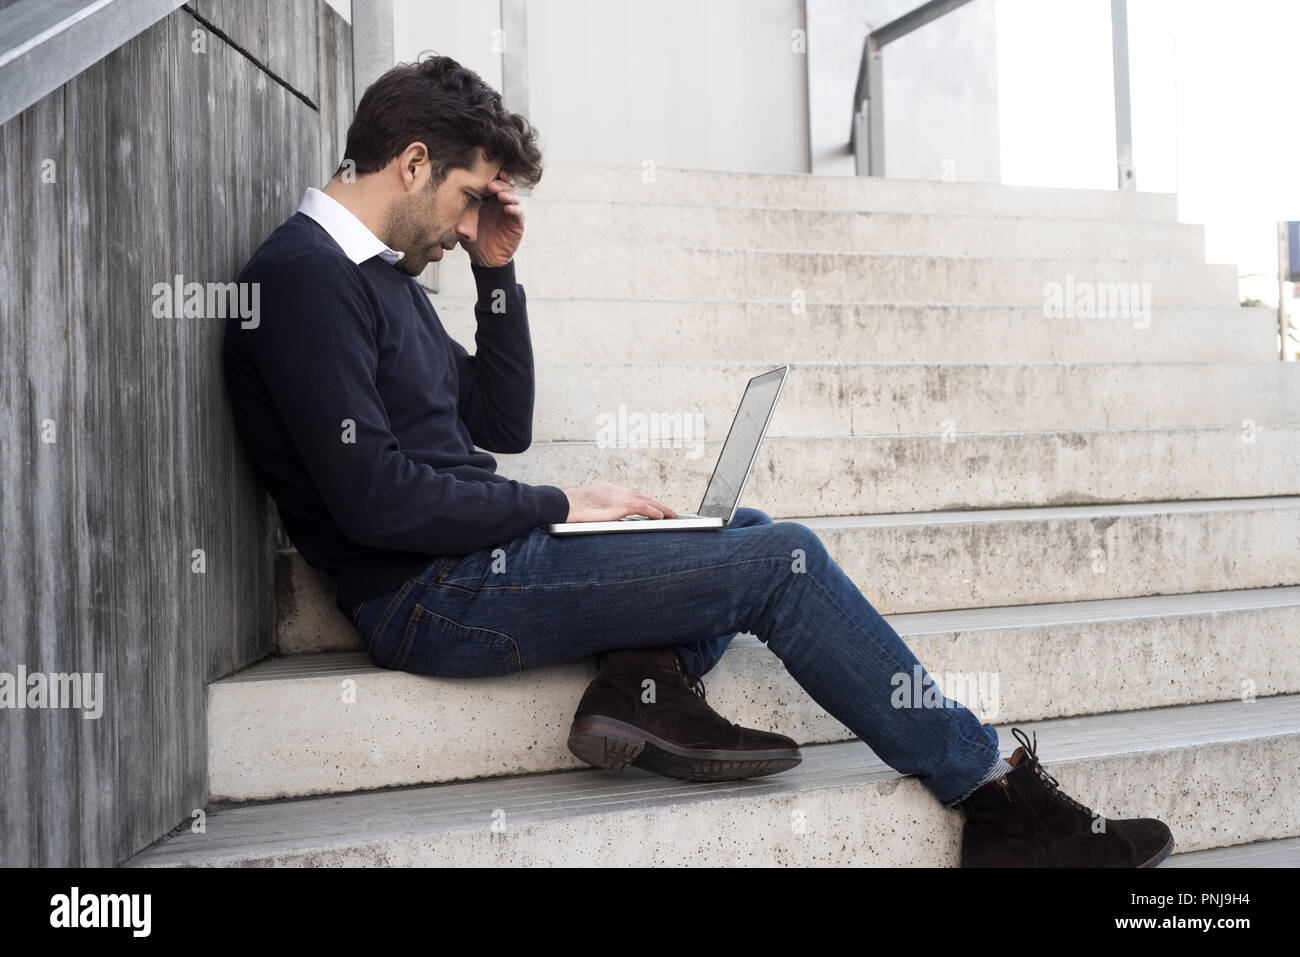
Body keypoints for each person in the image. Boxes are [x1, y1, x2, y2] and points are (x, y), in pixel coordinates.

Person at [222, 53, 1174, 868]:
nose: (469, 225)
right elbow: (375, 503)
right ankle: (998, 803)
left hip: (476, 559)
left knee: (742, 533)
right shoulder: (304, 277)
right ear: (414, 161)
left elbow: (497, 419)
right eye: (471, 200)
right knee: (782, 557)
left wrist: (497, 271)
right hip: (429, 595)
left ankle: (641, 684)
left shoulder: (385, 279)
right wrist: (556, 504)